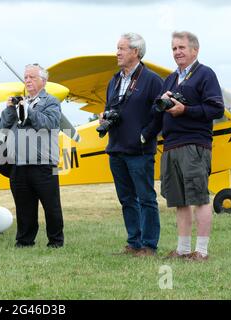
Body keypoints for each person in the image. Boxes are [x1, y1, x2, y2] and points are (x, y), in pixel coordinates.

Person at [142, 31, 224, 261]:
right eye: (174, 48)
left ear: (194, 50)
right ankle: (183, 249)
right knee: (179, 200)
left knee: (199, 197)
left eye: (182, 48)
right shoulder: (170, 79)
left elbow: (216, 109)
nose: (177, 52)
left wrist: (185, 110)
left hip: (194, 144)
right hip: (171, 145)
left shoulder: (205, 74)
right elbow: (157, 112)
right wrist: (145, 132)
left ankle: (202, 251)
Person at [100, 33, 163, 257]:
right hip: (116, 148)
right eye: (117, 48)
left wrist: (145, 136)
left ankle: (149, 245)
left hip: (139, 151)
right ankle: (134, 243)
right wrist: (104, 118)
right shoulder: (114, 80)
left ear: (135, 52)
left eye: (121, 48)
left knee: (146, 198)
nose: (117, 53)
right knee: (126, 199)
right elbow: (111, 107)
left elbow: (160, 114)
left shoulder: (152, 80)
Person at [0, 64, 64, 248]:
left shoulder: (51, 102)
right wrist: (10, 109)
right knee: (24, 207)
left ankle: (56, 242)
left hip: (43, 163)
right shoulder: (20, 103)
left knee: (51, 206)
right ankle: (24, 241)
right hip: (18, 164)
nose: (27, 80)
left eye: (32, 77)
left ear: (43, 81)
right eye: (25, 77)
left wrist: (28, 109)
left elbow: (48, 123)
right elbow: (2, 127)